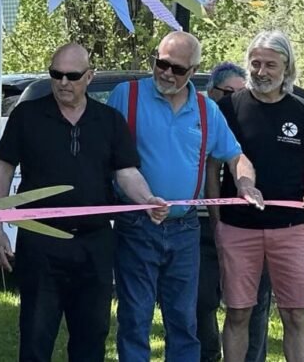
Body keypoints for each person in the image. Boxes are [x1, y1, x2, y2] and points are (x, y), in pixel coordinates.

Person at [0, 44, 167, 362]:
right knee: (35, 335)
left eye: (72, 76)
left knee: (91, 336)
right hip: (40, 241)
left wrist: (146, 199)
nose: (63, 82)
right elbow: (3, 171)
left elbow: (126, 173)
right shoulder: (27, 115)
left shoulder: (109, 120)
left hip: (94, 244)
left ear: (89, 76)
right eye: (56, 74)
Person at [105, 31, 263, 362]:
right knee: (135, 318)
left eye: (177, 69)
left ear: (193, 71)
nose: (166, 73)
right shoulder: (126, 96)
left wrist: (245, 183)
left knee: (184, 320)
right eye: (161, 63)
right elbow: (104, 154)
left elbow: (236, 156)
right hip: (135, 223)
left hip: (185, 229)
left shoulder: (206, 110)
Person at [214, 30, 304, 362]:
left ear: (287, 67)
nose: (261, 71)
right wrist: (218, 223)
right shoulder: (229, 107)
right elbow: (211, 170)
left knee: (294, 316)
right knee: (237, 314)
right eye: (255, 63)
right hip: (237, 228)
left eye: (270, 65)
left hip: (291, 228)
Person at [201, 62, 273, 362]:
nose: (233, 99)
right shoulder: (200, 117)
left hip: (252, 228)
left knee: (253, 307)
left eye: (240, 93)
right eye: (227, 92)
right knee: (202, 301)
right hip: (202, 227)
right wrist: (216, 223)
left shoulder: (252, 121)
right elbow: (208, 171)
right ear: (211, 91)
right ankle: (207, 354)